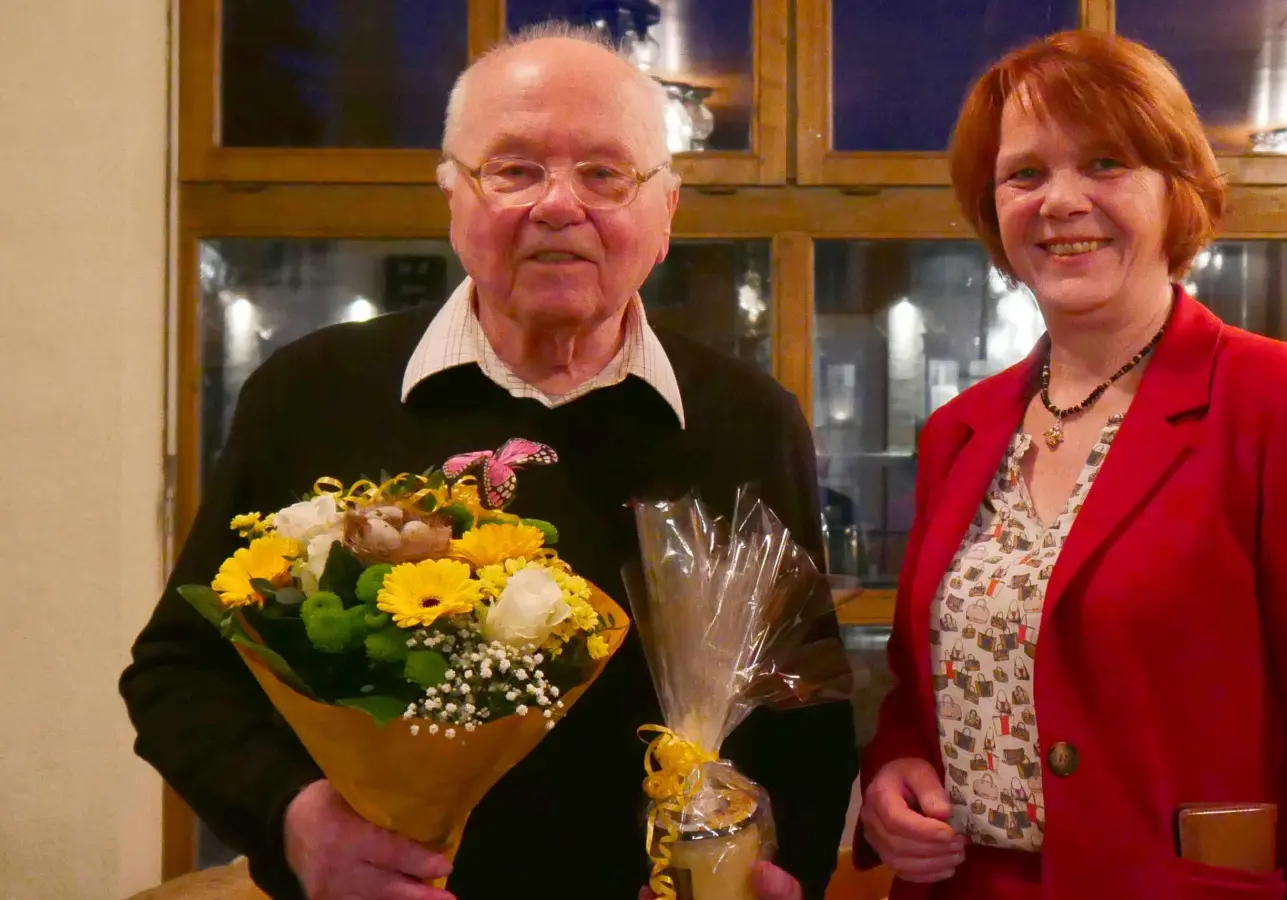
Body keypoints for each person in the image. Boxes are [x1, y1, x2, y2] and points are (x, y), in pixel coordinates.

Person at [120, 24, 856, 900]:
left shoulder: (744, 420)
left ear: (667, 213)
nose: (558, 204)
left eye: (604, 173)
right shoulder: (314, 393)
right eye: (514, 169)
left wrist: (785, 875)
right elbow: (178, 676)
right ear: (452, 198)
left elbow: (806, 716)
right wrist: (293, 819)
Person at [854, 30, 1287, 899]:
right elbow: (920, 691)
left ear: (1176, 190)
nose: (1061, 201)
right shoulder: (959, 433)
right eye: (1025, 174)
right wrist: (894, 771)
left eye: (1106, 163)